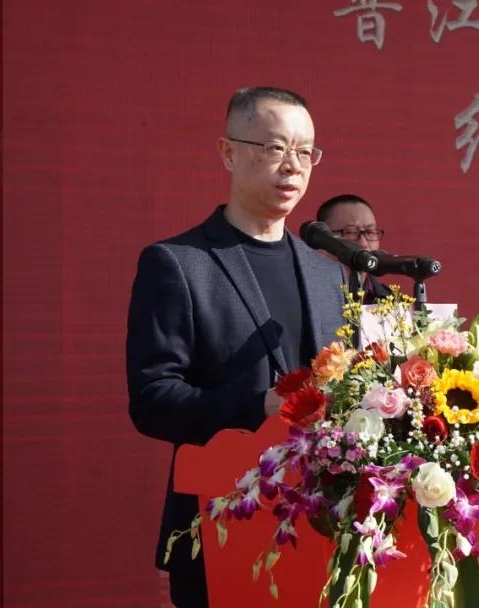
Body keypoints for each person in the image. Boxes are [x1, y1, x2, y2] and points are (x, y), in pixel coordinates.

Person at [126, 87, 345, 608]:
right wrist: (258, 408)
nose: (293, 166)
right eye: (274, 148)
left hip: (327, 535)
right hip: (223, 530)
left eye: (304, 151)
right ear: (228, 152)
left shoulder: (329, 274)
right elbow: (153, 399)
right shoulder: (179, 263)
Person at [316, 194, 392, 304]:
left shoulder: (394, 305)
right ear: (323, 239)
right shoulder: (305, 297)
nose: (363, 244)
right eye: (350, 232)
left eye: (370, 232)